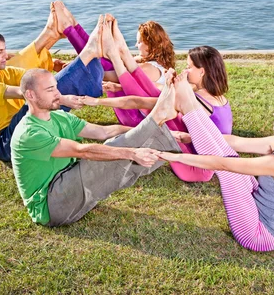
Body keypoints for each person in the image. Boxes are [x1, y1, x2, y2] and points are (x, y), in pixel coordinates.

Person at [10, 19, 183, 226]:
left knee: (122, 155)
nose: (58, 94)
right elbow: (82, 151)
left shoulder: (58, 117)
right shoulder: (28, 133)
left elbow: (104, 132)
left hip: (71, 190)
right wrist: (131, 151)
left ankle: (165, 137)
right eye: (50, 90)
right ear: (30, 95)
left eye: (56, 87)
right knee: (107, 155)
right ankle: (158, 120)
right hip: (52, 205)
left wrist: (145, 133)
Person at [157, 73, 274, 252]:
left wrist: (173, 156)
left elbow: (223, 165)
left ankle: (187, 106)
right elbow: (235, 142)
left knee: (229, 168)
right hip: (255, 210)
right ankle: (189, 104)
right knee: (229, 156)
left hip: (258, 236)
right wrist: (189, 136)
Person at [84, 23, 231, 182]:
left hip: (195, 167)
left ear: (202, 71)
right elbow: (155, 88)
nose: (186, 70)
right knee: (159, 99)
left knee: (158, 106)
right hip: (201, 156)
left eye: (189, 67)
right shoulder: (216, 98)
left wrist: (97, 102)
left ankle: (119, 54)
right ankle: (120, 53)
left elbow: (139, 101)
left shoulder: (199, 100)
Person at [0, 14, 105, 163]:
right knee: (39, 93)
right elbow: (24, 93)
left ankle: (89, 59)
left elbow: (34, 77)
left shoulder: (1, 72)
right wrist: (64, 98)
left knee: (45, 85)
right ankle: (89, 52)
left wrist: (62, 73)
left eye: (4, 50)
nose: (5, 56)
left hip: (18, 127)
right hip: (4, 144)